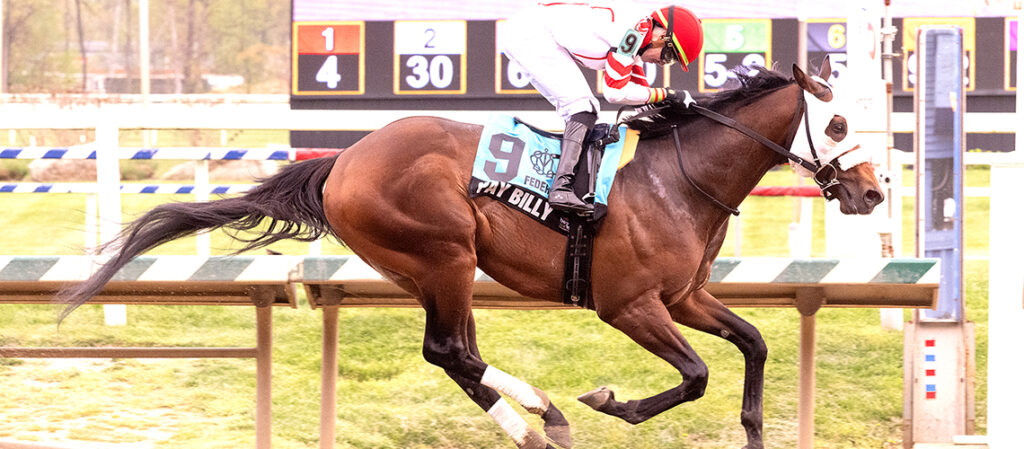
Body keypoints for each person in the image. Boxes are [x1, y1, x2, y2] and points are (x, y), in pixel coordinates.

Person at [501, 2, 704, 213]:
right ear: (661, 38)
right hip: (530, 34)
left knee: (583, 107)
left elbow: (642, 102)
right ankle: (561, 188)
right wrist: (668, 94)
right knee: (582, 107)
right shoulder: (632, 35)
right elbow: (615, 92)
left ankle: (565, 184)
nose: (663, 63)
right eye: (669, 56)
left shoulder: (639, 34)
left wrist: (682, 112)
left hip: (531, 29)